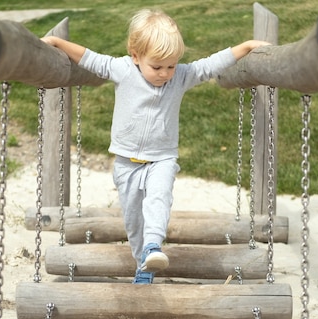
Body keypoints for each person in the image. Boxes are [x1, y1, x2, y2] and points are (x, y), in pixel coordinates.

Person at [42, 9, 269, 284]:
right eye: (157, 67)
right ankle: (143, 265)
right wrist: (58, 43)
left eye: (171, 66)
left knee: (159, 200)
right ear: (136, 56)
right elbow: (90, 58)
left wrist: (244, 47)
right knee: (134, 221)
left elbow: (209, 65)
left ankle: (153, 247)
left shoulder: (181, 76)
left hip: (162, 158)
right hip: (126, 163)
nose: (165, 74)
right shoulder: (123, 69)